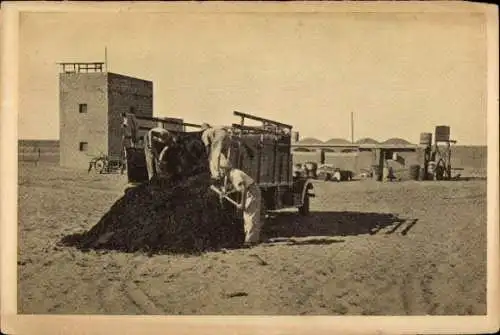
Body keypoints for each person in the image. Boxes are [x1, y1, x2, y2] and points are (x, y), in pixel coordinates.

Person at [219, 157, 263, 247]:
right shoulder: (232, 174)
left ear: (225, 169)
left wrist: (242, 204)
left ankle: (250, 241)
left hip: (252, 192)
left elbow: (243, 189)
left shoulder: (235, 174)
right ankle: (252, 240)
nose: (221, 172)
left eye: (221, 169)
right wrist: (227, 192)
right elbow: (237, 188)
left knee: (250, 215)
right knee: (248, 215)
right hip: (250, 191)